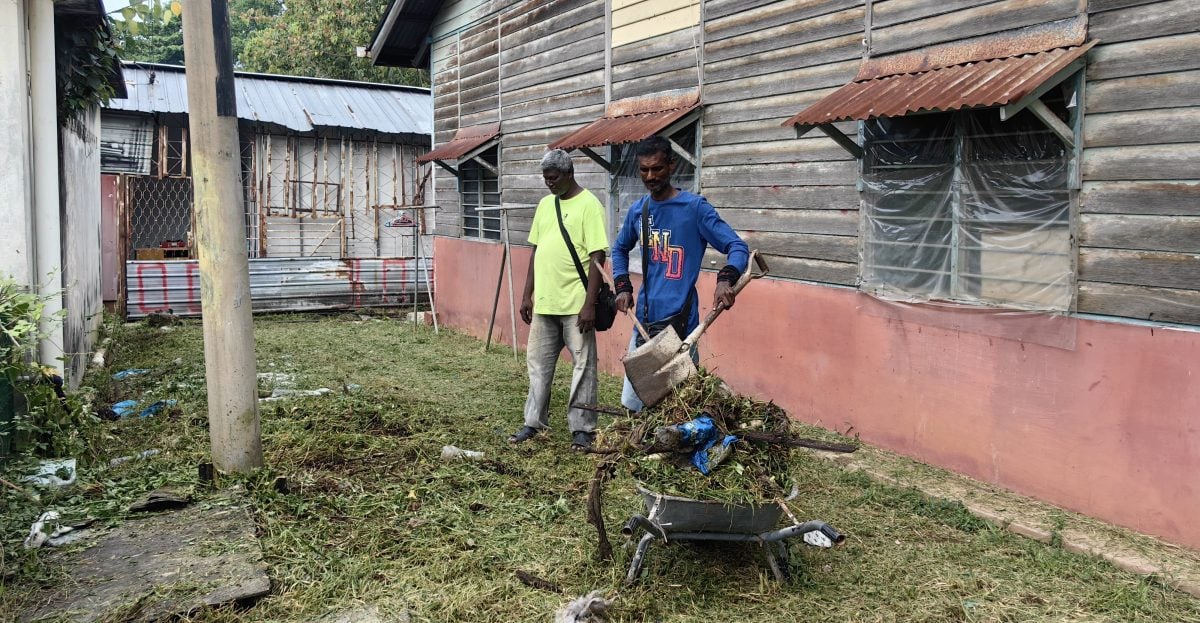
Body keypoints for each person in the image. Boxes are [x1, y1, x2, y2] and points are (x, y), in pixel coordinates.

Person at [611, 136, 749, 411]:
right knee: (634, 403)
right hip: (645, 323)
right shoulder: (639, 211)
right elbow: (619, 249)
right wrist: (622, 285)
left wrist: (726, 279)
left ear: (671, 166)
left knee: (678, 405)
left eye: (657, 169)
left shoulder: (695, 208)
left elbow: (737, 246)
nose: (650, 176)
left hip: (681, 327)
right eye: (644, 170)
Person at [508, 149, 609, 450]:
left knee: (583, 366)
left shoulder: (589, 205)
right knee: (537, 365)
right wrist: (527, 294)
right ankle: (533, 422)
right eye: (545, 179)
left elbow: (597, 257)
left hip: (576, 305)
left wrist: (589, 304)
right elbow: (536, 251)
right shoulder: (544, 205)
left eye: (553, 178)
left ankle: (583, 428)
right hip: (545, 304)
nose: (548, 184)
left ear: (569, 174)